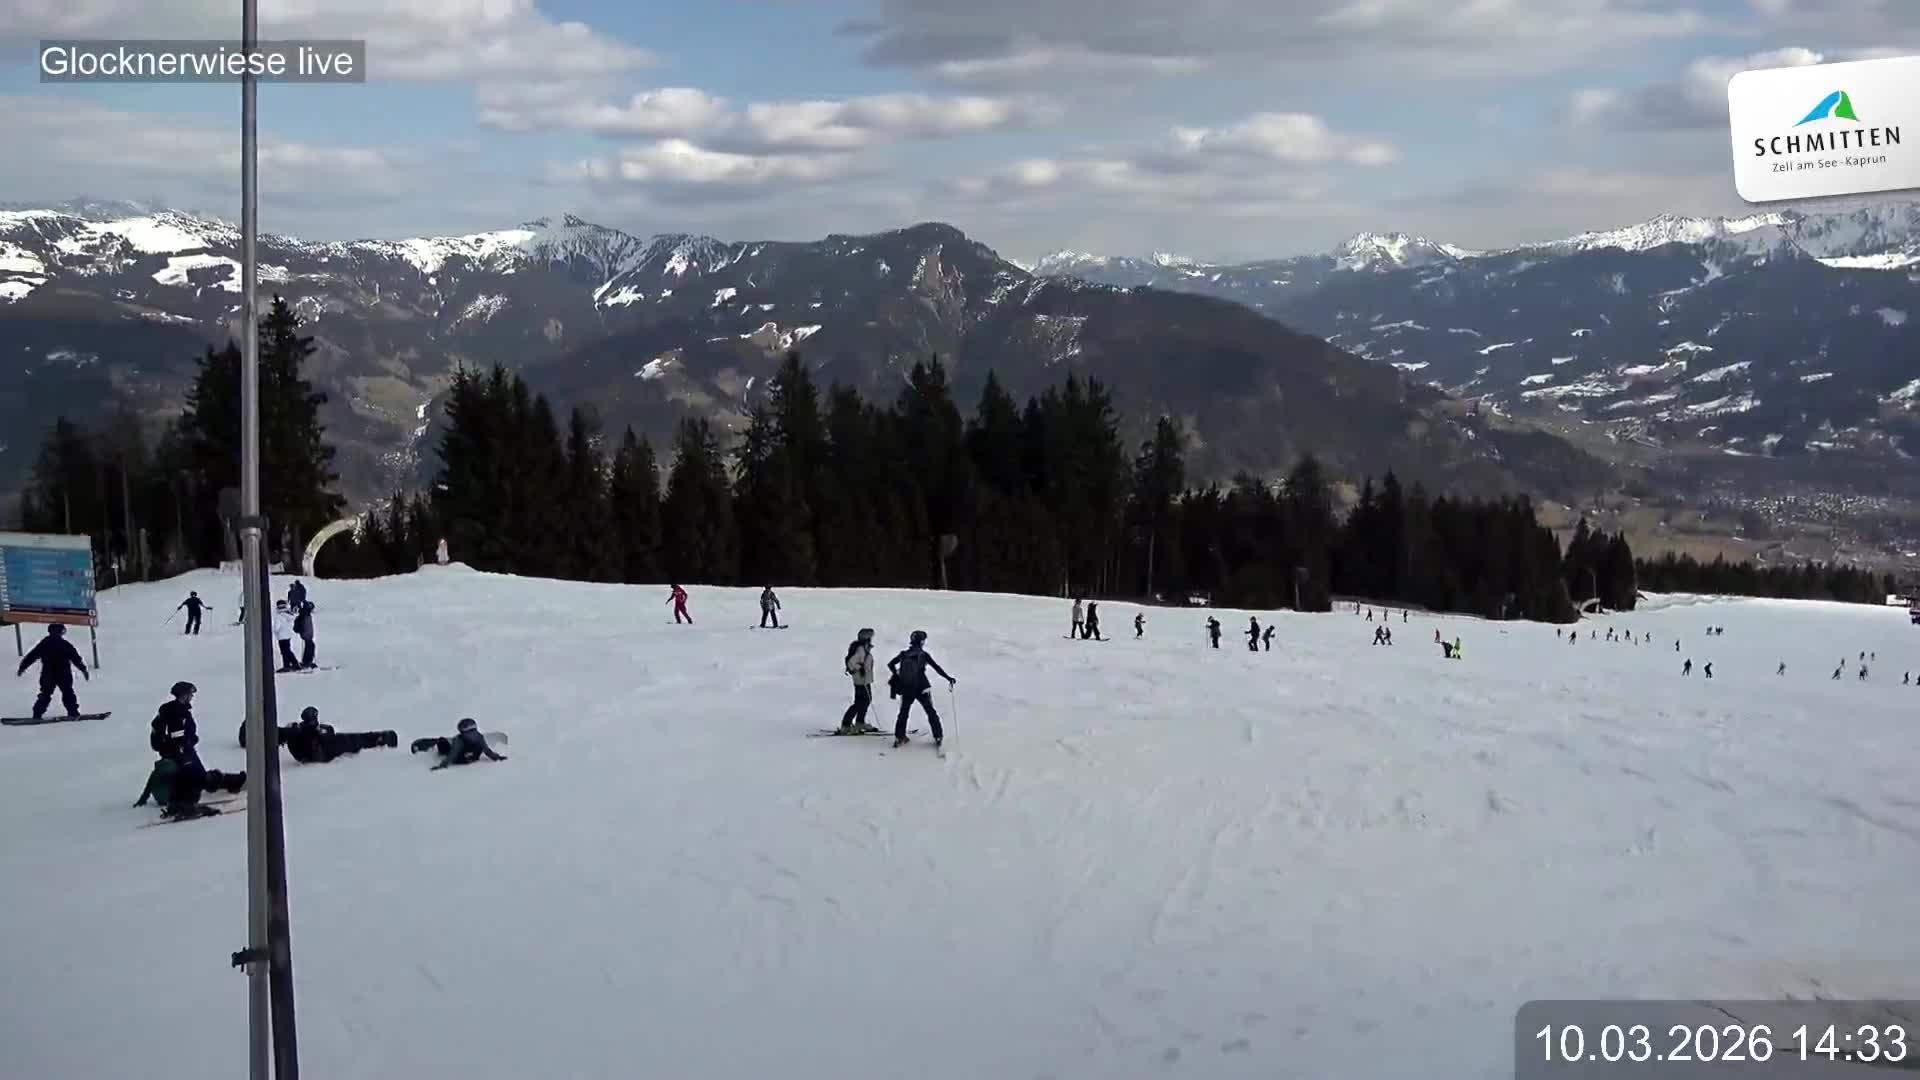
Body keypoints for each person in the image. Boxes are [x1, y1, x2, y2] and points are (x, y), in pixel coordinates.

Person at [138, 681, 243, 817]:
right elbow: (176, 737)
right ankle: (187, 806)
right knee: (195, 776)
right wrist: (184, 748)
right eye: (190, 694)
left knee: (189, 777)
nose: (192, 697)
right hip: (180, 752)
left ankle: (232, 782)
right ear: (183, 695)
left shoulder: (171, 709)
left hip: (178, 751)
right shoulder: (177, 713)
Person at [886, 630, 954, 749]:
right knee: (930, 711)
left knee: (904, 712)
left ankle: (899, 736)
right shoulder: (923, 655)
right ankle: (938, 736)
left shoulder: (904, 654)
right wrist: (948, 678)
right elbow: (936, 668)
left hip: (907, 688)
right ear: (922, 641)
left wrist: (897, 674)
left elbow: (890, 664)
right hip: (921, 688)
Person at [16, 623, 88, 720]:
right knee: (68, 693)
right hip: (64, 673)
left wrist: (22, 668)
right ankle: (73, 713)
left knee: (45, 693)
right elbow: (76, 659)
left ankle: (37, 714)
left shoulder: (44, 644)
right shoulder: (65, 645)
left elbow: (31, 656)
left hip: (48, 674)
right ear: (61, 632)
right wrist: (84, 670)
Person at [282, 706, 396, 763]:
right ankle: (380, 739)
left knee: (351, 739)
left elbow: (326, 731)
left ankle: (379, 738)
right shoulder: (300, 734)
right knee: (352, 741)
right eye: (313, 719)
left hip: (321, 748)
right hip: (322, 751)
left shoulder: (301, 731)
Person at [420, 718, 507, 770]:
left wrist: (441, 766)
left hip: (460, 760)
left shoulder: (459, 740)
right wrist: (497, 758)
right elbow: (487, 751)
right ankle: (445, 741)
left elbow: (452, 755)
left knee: (443, 741)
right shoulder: (479, 737)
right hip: (473, 758)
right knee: (451, 742)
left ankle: (438, 742)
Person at [841, 628, 878, 733]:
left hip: (865, 680)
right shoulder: (860, 649)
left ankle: (860, 722)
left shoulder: (864, 648)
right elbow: (851, 663)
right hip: (861, 680)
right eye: (870, 637)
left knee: (866, 700)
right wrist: (859, 668)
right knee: (860, 703)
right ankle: (846, 725)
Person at [272, 600, 299, 672]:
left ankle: (292, 664)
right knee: (287, 650)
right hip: (288, 635)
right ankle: (290, 664)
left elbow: (276, 628)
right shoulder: (289, 615)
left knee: (284, 651)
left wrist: (274, 630)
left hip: (281, 636)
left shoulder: (279, 617)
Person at [293, 599, 317, 669]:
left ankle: (306, 661)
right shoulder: (305, 614)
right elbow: (302, 625)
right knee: (310, 646)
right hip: (306, 634)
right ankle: (307, 662)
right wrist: (302, 631)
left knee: (310, 646)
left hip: (307, 634)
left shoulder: (305, 613)